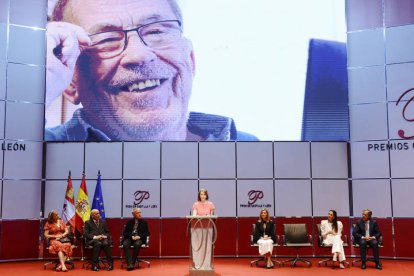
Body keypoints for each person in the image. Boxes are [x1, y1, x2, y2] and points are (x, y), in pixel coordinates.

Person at [45, 0, 258, 142]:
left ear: (190, 59)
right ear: (71, 82)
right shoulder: (29, 156)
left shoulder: (252, 151)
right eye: (107, 39)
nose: (139, 54)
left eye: (157, 31)